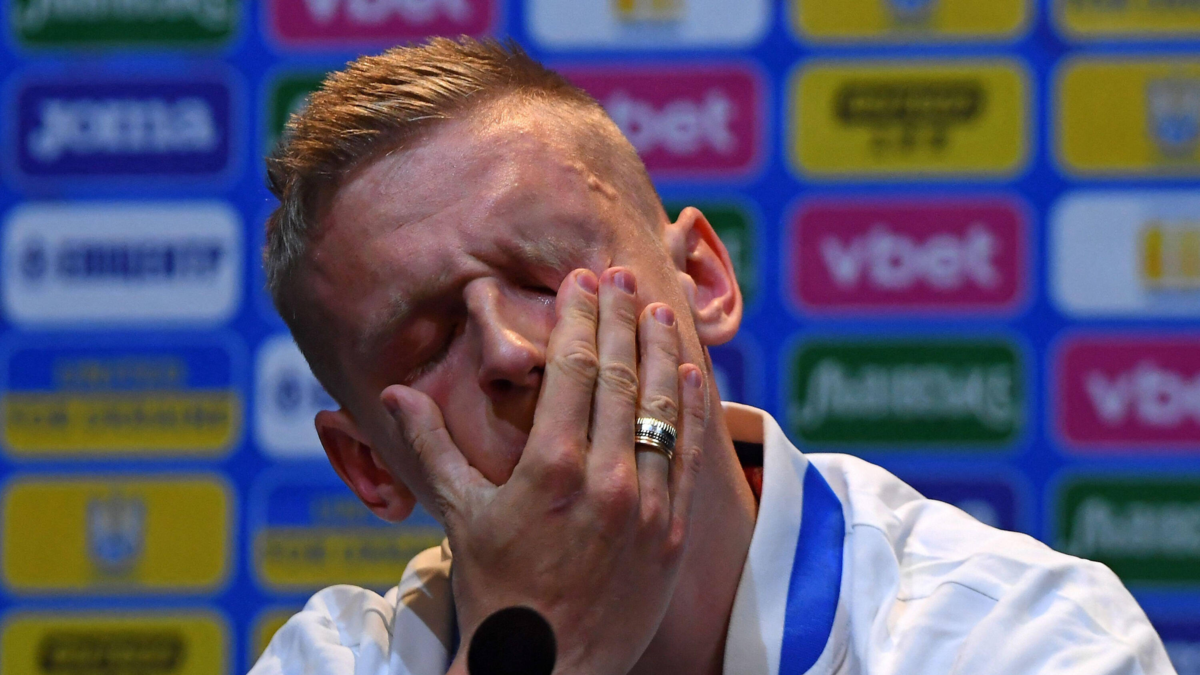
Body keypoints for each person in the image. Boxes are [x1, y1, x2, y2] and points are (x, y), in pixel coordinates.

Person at [249, 37, 1175, 675]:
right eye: (425, 341)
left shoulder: (1017, 636)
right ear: (369, 465)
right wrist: (538, 652)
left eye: (548, 273)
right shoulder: (333, 659)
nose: (512, 347)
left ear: (702, 278)